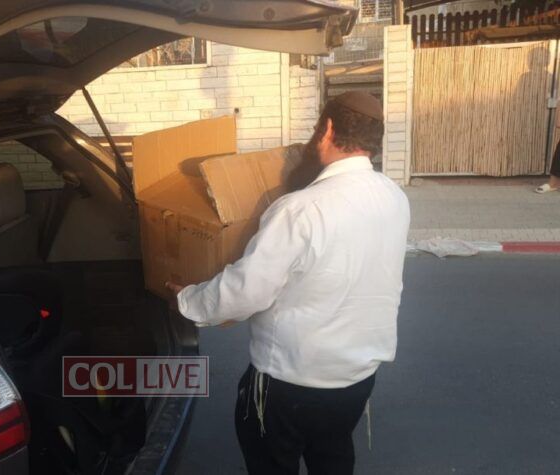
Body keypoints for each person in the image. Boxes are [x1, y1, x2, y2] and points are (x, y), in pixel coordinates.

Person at [166, 91, 410, 475]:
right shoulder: (394, 197)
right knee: (332, 457)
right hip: (356, 379)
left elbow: (247, 292)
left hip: (290, 383)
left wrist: (187, 301)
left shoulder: (299, 209)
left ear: (327, 130)